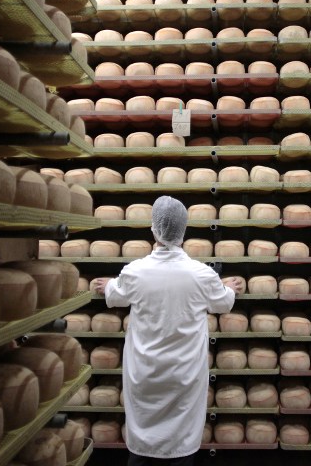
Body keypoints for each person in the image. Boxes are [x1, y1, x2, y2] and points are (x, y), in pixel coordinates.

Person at [93, 195, 243, 466]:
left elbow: (115, 295)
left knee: (142, 441)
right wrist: (229, 286)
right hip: (184, 376)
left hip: (145, 373)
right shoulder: (201, 274)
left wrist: (108, 285)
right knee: (180, 443)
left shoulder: (135, 272)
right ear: (183, 231)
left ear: (153, 229)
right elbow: (222, 303)